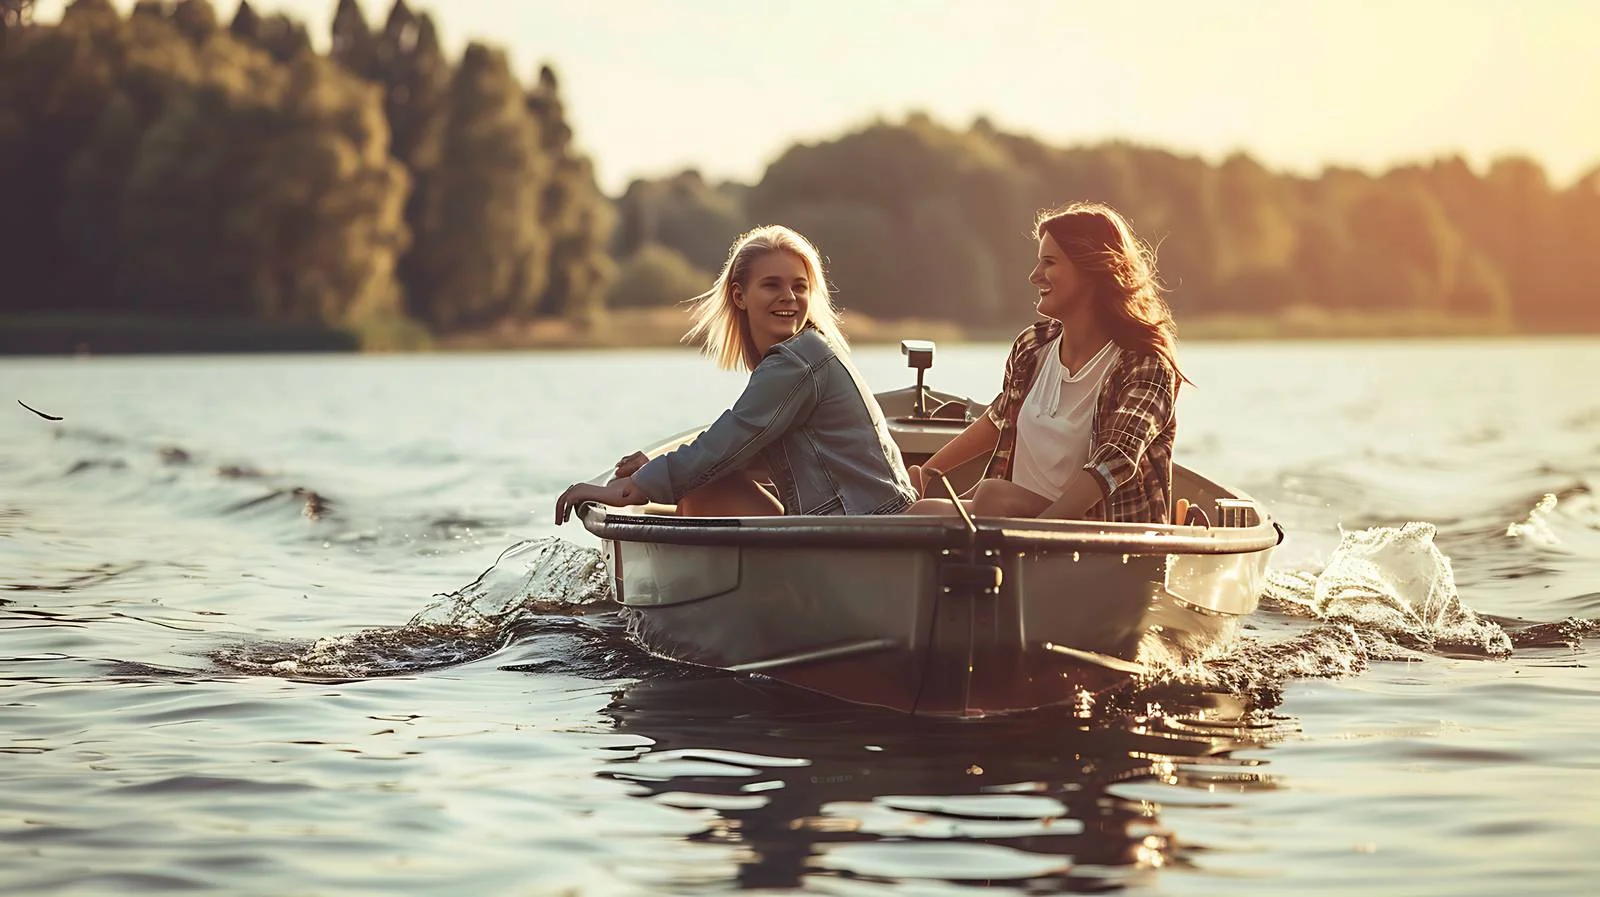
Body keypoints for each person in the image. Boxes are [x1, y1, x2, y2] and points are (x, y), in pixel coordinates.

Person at [555, 225, 916, 524]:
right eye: (772, 285)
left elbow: (729, 439)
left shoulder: (798, 361)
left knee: (702, 489)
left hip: (860, 525)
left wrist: (631, 489)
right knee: (706, 483)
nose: (789, 297)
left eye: (799, 286)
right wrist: (654, 472)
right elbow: (737, 453)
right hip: (863, 518)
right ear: (739, 296)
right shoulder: (806, 353)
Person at [907, 201, 1186, 524]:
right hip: (1015, 519)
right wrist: (928, 472)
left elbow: (1116, 459)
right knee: (919, 512)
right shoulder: (1032, 346)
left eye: (1049, 262)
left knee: (992, 496)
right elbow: (999, 418)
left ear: (1092, 271)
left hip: (1098, 531)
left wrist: (1042, 533)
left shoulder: (1146, 363)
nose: (1034, 276)